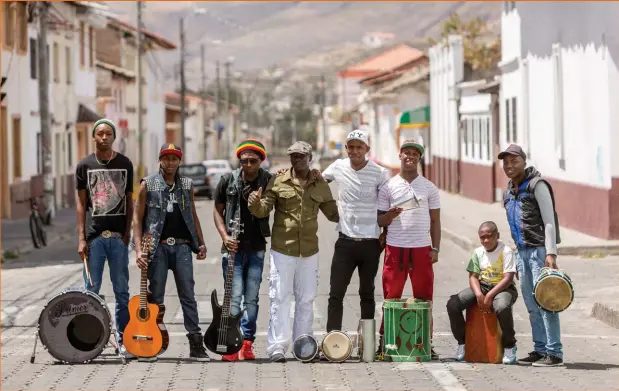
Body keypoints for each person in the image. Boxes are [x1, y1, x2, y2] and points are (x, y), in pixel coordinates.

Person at [248, 141, 339, 363]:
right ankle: (277, 347)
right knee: (279, 298)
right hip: (283, 250)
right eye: (293, 157)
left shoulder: (319, 184)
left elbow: (333, 214)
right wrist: (254, 203)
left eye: (301, 156)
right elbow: (263, 210)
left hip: (309, 251)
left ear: (310, 158)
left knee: (306, 299)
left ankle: (303, 345)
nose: (297, 160)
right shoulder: (278, 180)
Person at [133, 143, 209, 362]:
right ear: (160, 160)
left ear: (179, 161)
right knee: (155, 297)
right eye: (166, 158)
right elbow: (138, 219)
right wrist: (139, 250)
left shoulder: (186, 184)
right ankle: (152, 343)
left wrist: (201, 243)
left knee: (188, 295)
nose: (170, 162)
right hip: (157, 248)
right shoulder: (148, 184)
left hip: (183, 247)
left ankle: (196, 344)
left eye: (174, 158)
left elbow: (192, 215)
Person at [499, 144, 563, 367]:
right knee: (531, 304)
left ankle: (554, 353)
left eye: (514, 161)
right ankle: (540, 349)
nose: (509, 165)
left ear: (524, 162)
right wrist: (516, 258)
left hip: (539, 252)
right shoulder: (508, 192)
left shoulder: (538, 185)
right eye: (505, 162)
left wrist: (551, 253)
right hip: (522, 253)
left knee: (546, 301)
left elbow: (548, 221)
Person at [376, 139, 441, 360]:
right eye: (407, 152)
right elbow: (381, 220)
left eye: (415, 153)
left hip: (421, 248)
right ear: (400, 155)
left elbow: (435, 221)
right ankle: (385, 342)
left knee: (424, 297)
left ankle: (426, 342)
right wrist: (390, 215)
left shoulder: (429, 187)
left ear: (419, 159)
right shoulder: (389, 186)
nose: (410, 156)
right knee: (391, 296)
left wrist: (436, 248)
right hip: (396, 248)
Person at [320, 129, 390, 334]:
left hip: (371, 242)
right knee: (336, 293)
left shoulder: (380, 172)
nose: (354, 151)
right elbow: (318, 181)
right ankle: (333, 340)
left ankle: (366, 343)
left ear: (367, 149)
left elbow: (386, 204)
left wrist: (385, 231)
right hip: (345, 241)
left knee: (367, 293)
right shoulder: (338, 166)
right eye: (350, 147)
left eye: (359, 147)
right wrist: (329, 209)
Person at [75, 119, 134, 358]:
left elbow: (131, 201)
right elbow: (80, 204)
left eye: (108, 133)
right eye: (100, 134)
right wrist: (81, 237)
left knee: (122, 292)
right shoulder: (84, 166)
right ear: (94, 137)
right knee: (91, 292)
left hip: (118, 238)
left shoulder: (125, 163)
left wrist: (128, 233)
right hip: (94, 238)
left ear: (114, 136)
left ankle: (124, 341)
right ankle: (92, 342)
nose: (104, 137)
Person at [213, 139, 273, 361]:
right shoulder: (227, 181)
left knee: (251, 300)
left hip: (256, 248)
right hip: (232, 250)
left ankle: (247, 343)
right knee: (233, 297)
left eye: (252, 161)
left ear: (260, 161)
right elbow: (217, 211)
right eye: (243, 160)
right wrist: (225, 237)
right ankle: (230, 344)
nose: (247, 164)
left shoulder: (268, 180)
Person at [446, 221, 519, 364]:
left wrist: (490, 296)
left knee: (502, 306)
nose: (486, 240)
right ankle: (463, 342)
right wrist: (479, 294)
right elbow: (473, 276)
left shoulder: (506, 251)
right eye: (482, 237)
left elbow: (508, 278)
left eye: (489, 237)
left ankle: (510, 345)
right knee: (453, 304)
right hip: (483, 286)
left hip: (503, 288)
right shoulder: (478, 252)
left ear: (497, 235)